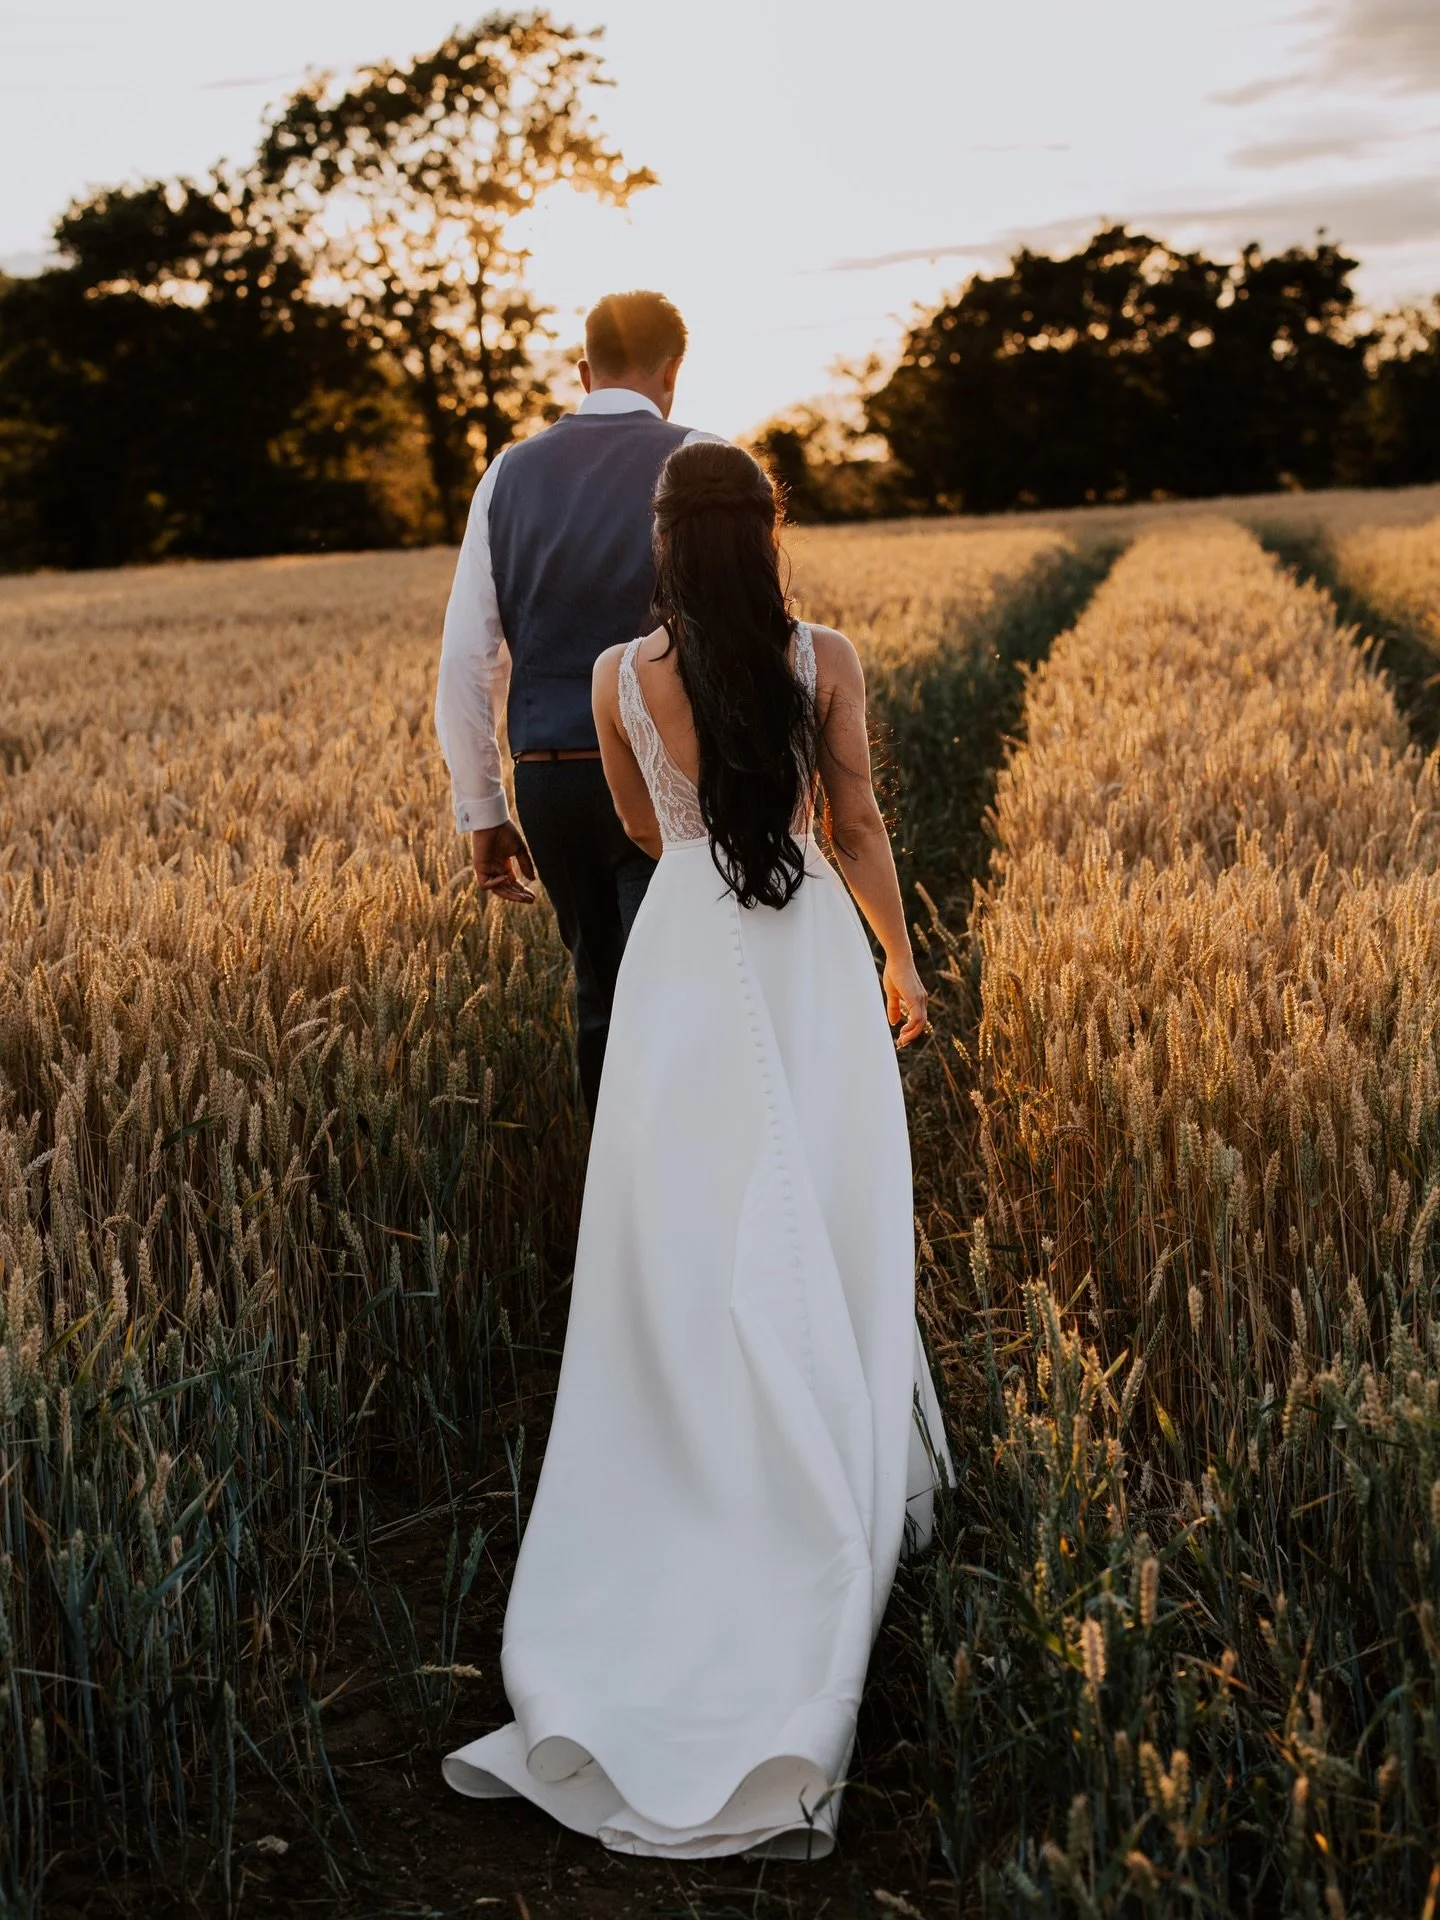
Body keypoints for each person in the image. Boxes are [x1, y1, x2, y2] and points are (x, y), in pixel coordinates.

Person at [443, 440, 953, 1859]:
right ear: (769, 532)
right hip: (800, 961)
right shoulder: (825, 656)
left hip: (682, 960)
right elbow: (853, 824)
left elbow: (628, 827)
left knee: (682, 1227)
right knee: (826, 1205)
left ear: (667, 542)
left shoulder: (615, 677)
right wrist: (903, 964)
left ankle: (689, 1452)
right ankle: (824, 1439)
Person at [435, 290, 720, 1120]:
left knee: (603, 1000)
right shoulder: (702, 459)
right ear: (673, 371)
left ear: (584, 370)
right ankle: (683, 1216)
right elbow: (746, 634)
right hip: (675, 780)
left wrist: (482, 808)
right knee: (679, 1003)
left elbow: (465, 658)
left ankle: (614, 1230)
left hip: (552, 782)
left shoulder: (506, 474)